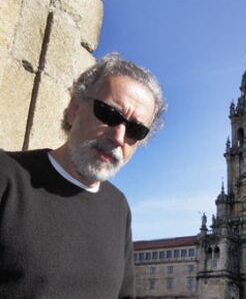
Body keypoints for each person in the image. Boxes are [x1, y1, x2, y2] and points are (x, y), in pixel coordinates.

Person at [0, 53, 166, 298]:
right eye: (109, 113)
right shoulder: (6, 176)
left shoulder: (119, 207)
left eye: (135, 130)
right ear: (74, 109)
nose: (118, 137)